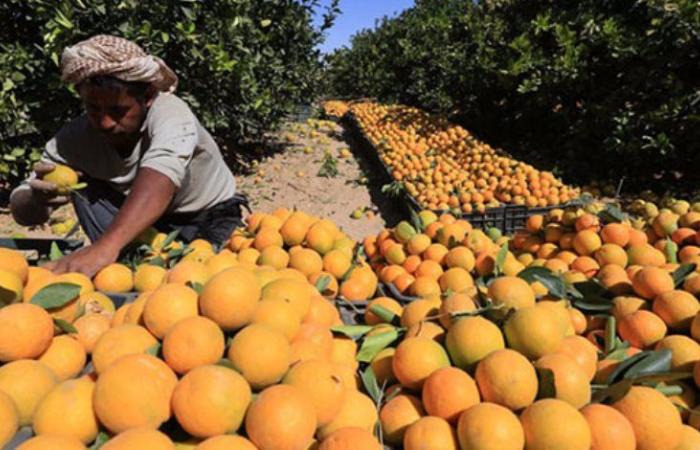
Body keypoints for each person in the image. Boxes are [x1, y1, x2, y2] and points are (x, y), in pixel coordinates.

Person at [9, 35, 246, 277]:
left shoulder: (171, 113)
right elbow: (22, 208)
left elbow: (161, 174)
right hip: (141, 226)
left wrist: (104, 247)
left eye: (118, 110)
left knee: (202, 278)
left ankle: (114, 253)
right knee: (85, 187)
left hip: (206, 217)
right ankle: (122, 260)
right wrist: (35, 199)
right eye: (93, 108)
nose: (105, 122)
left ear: (148, 97)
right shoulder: (75, 138)